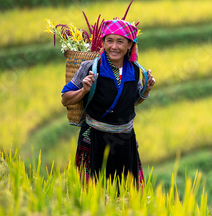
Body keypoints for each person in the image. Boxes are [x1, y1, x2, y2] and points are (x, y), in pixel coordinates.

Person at [60, 19, 155, 185]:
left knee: (124, 194)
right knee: (92, 193)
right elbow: (65, 98)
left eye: (120, 41)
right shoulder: (89, 67)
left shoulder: (134, 69)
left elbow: (132, 102)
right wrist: (83, 90)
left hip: (124, 141)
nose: (114, 46)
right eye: (109, 41)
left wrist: (146, 89)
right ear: (103, 43)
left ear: (129, 46)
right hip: (94, 138)